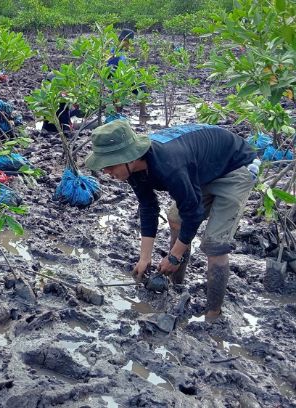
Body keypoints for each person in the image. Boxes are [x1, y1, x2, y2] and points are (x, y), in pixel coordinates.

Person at [85, 120, 256, 319]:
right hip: (205, 168)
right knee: (175, 218)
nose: (106, 172)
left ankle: (213, 315)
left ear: (130, 158)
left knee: (214, 244)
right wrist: (145, 257)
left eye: (110, 165)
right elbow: (148, 206)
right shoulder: (134, 169)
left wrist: (174, 256)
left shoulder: (169, 166)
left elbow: (193, 213)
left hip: (236, 168)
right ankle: (177, 285)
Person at [106, 29, 148, 124]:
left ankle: (142, 115)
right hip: (116, 76)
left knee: (142, 89)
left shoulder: (121, 50)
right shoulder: (115, 50)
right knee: (120, 94)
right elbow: (110, 66)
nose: (129, 46)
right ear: (125, 40)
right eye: (129, 42)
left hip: (123, 75)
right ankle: (119, 116)